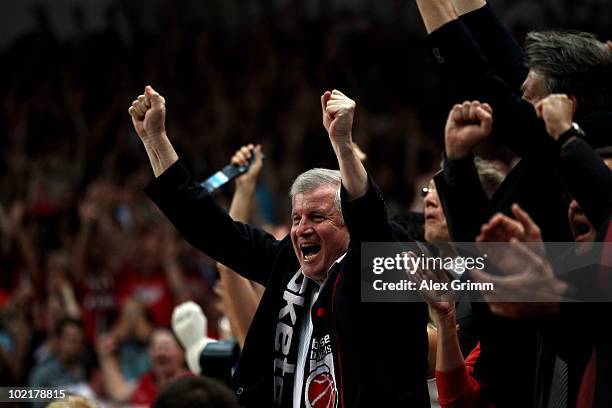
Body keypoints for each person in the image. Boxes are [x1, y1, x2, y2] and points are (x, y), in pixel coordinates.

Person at [128, 85, 429, 406]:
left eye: (316, 216)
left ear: (349, 224)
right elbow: (213, 232)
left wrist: (342, 145)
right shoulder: (288, 265)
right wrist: (155, 140)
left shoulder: (381, 271)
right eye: (296, 217)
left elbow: (372, 227)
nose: (301, 229)